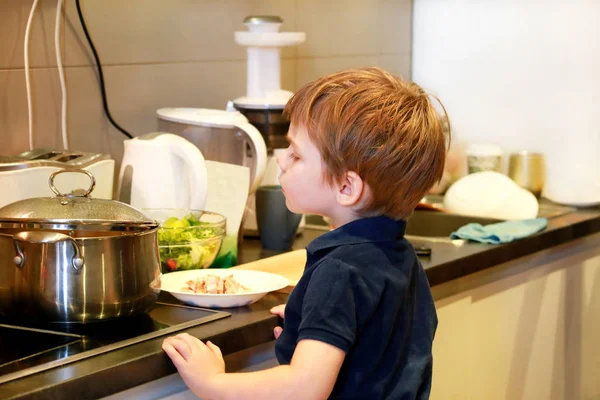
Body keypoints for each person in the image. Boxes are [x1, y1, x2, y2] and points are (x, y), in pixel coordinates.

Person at [162, 66, 449, 400]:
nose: (282, 161)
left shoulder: (339, 272)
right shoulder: (399, 254)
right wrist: (315, 317)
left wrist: (212, 382)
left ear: (346, 186)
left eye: (296, 154)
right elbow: (378, 333)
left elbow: (304, 388)